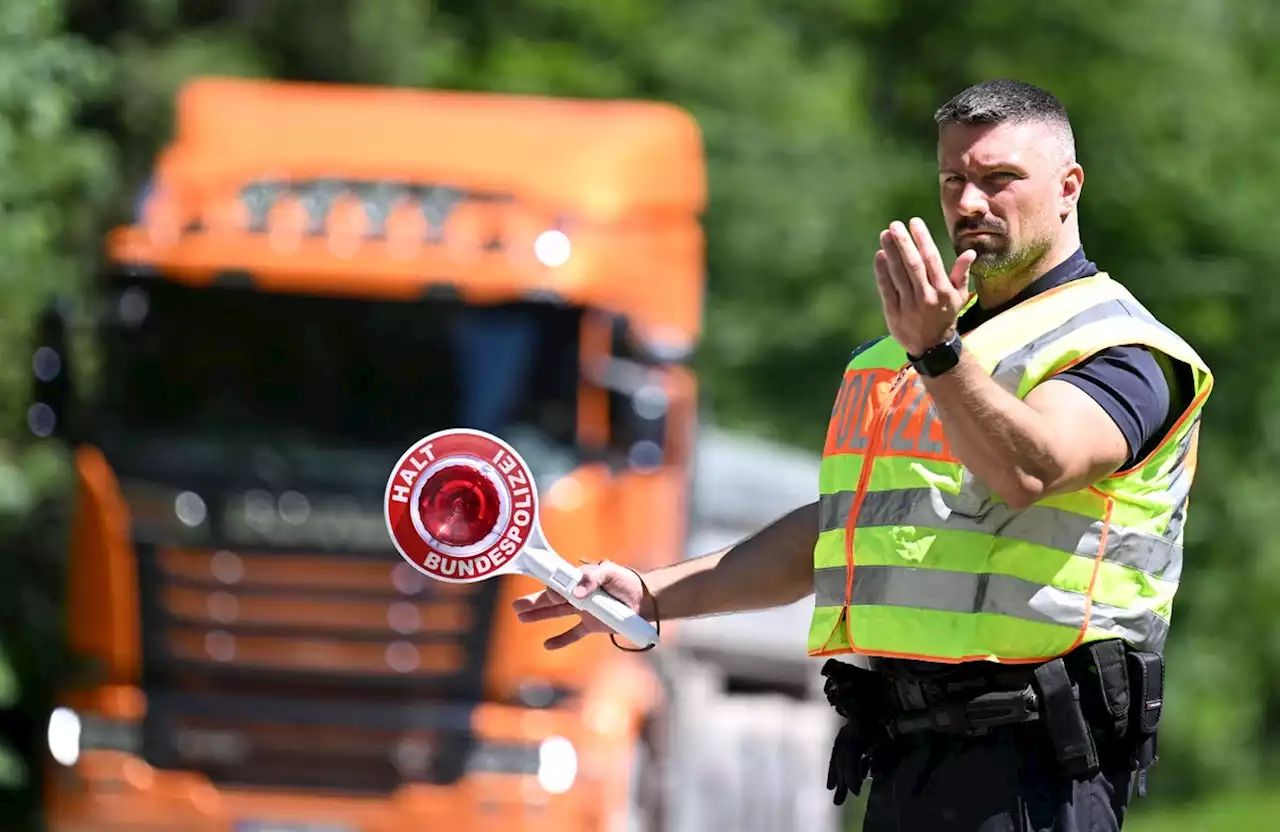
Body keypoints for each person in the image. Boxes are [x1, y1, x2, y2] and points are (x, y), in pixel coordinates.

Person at [511, 79, 1213, 832]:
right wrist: (651, 594)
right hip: (905, 758)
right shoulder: (901, 355)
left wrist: (939, 355)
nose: (971, 203)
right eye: (955, 180)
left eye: (1000, 178)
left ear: (1069, 186)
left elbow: (1031, 470)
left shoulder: (1124, 350)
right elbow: (840, 534)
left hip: (1036, 771)